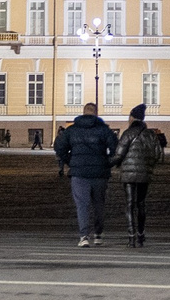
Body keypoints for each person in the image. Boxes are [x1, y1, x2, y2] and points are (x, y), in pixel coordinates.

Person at [53, 100, 119, 246]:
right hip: (100, 173)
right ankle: (98, 235)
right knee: (99, 204)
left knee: (82, 205)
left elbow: (59, 147)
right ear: (96, 113)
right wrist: (107, 163)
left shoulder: (72, 130)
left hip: (79, 173)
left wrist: (71, 161)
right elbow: (116, 149)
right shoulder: (104, 130)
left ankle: (84, 236)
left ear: (83, 113)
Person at [114, 104, 164, 246]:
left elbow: (118, 155)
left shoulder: (128, 133)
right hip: (144, 175)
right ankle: (141, 235)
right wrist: (148, 165)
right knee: (141, 204)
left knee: (130, 204)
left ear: (132, 117)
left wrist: (109, 163)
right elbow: (157, 155)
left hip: (128, 175)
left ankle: (131, 237)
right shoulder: (150, 134)